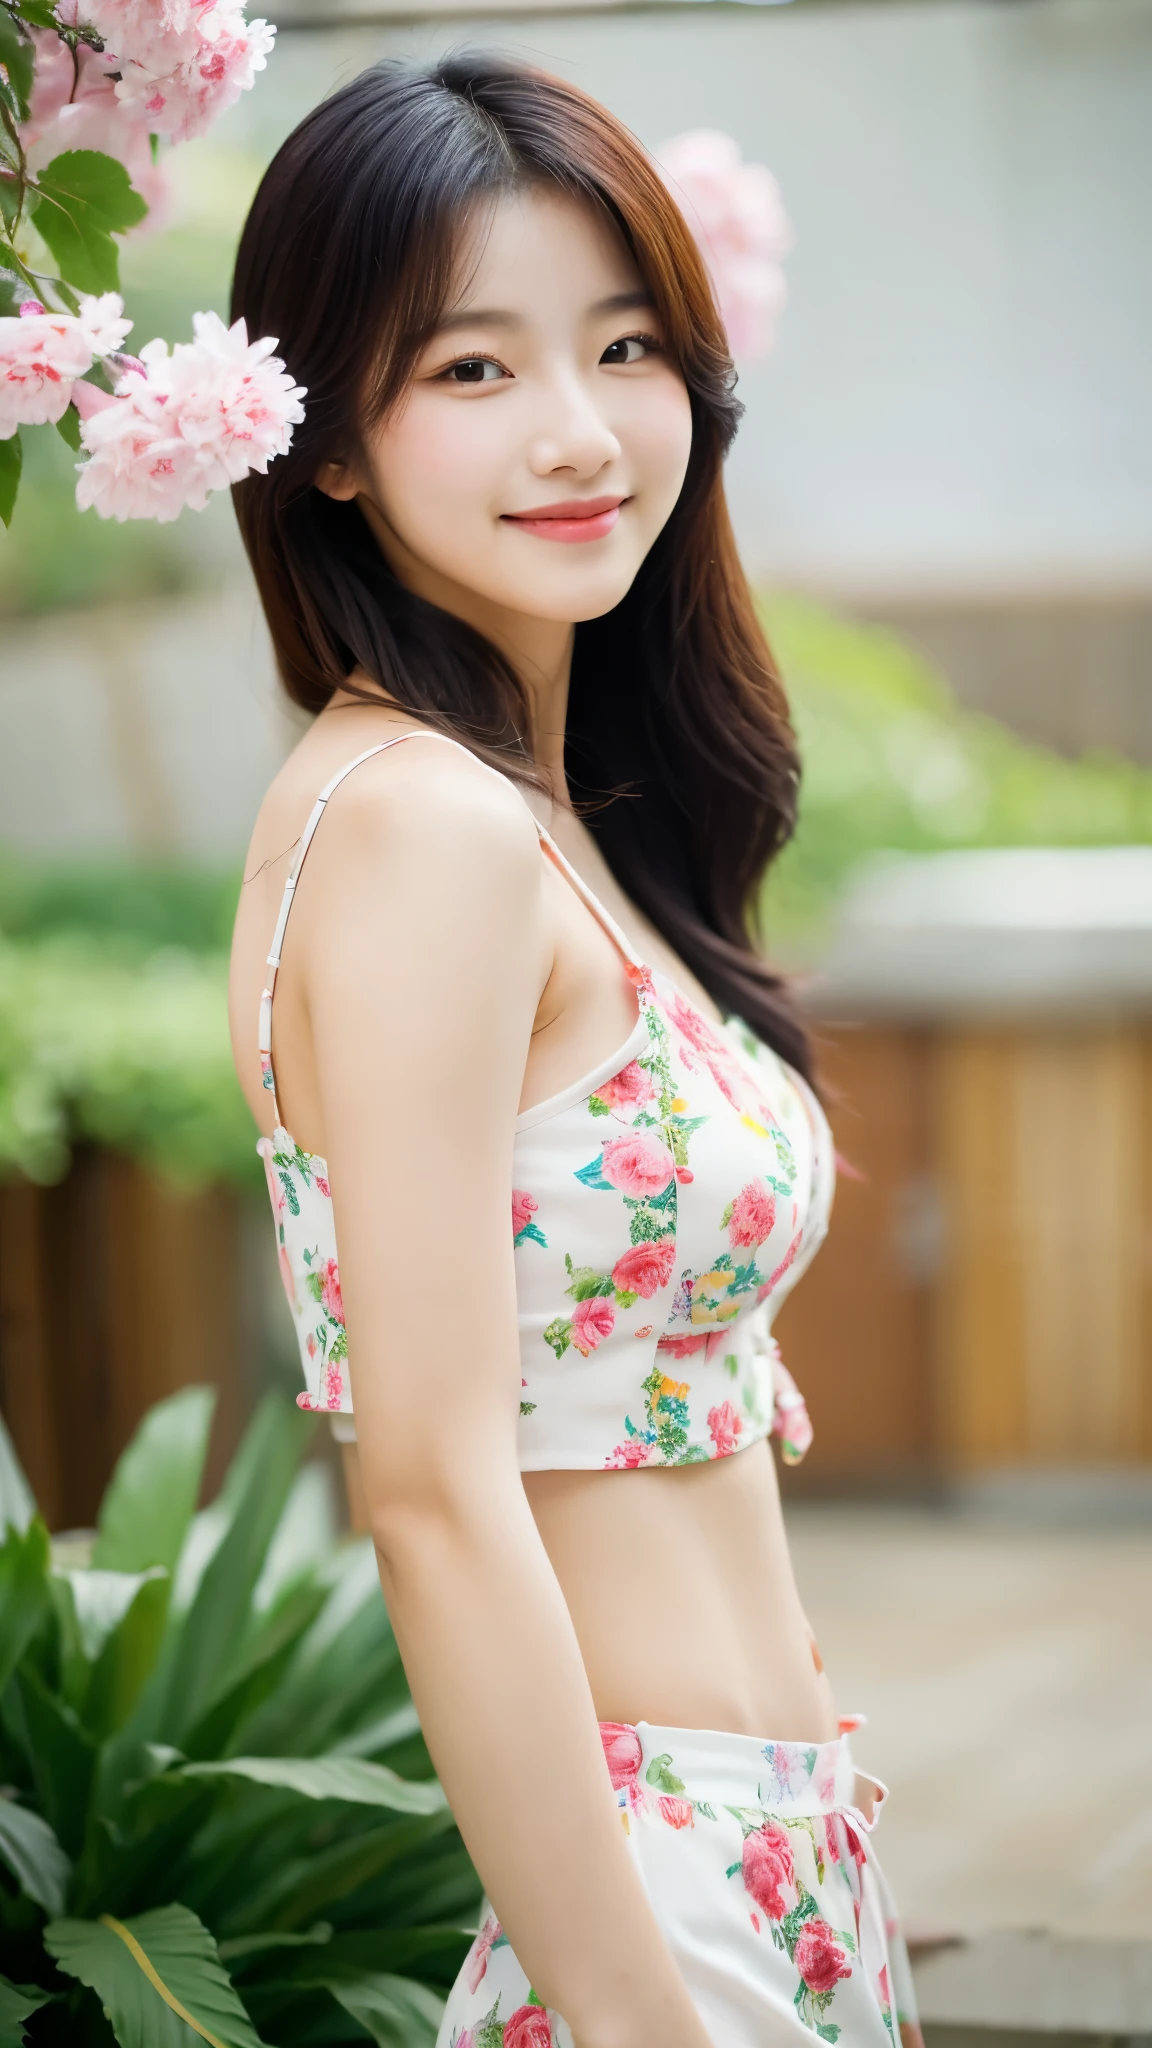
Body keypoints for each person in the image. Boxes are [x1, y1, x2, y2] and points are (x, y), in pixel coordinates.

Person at [228, 54, 923, 2048]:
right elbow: (435, 1489)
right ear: (329, 441)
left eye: (623, 347)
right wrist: (638, 2010)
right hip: (655, 1906)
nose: (576, 431)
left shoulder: (527, 816)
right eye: (469, 369)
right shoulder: (422, 833)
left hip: (776, 1850)